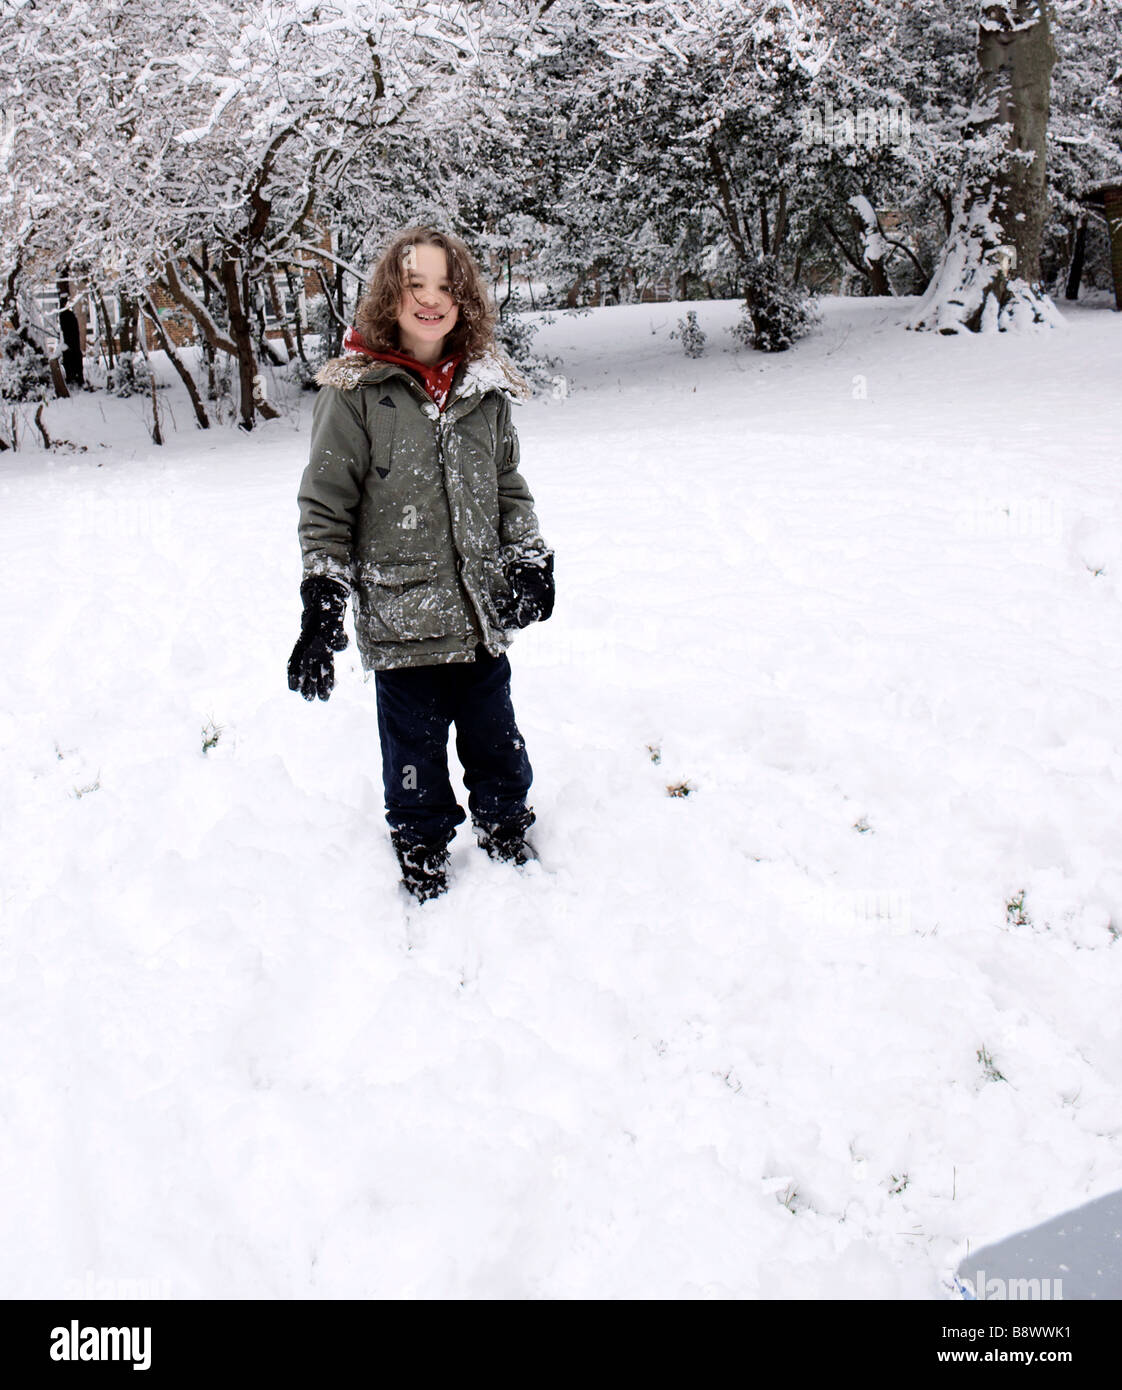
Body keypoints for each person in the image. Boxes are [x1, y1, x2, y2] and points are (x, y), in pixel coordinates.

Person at [288, 226, 554, 903]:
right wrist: (322, 598)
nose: (431, 300)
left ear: (464, 298)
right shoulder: (353, 393)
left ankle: (504, 826)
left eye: (446, 286)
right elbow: (326, 505)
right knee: (414, 757)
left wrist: (527, 557)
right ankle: (422, 847)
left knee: (497, 743)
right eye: (416, 286)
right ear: (390, 295)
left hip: (478, 613)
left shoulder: (482, 390)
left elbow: (508, 486)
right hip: (403, 621)